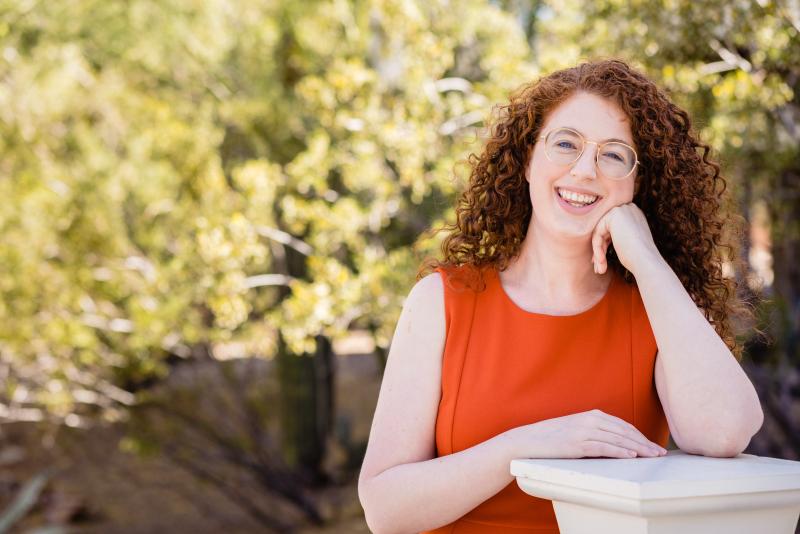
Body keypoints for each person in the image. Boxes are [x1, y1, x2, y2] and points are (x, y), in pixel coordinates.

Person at [357, 59, 764, 534]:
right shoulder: (441, 302)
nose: (585, 170)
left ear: (637, 182)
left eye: (614, 155)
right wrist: (526, 446)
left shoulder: (656, 310)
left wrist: (648, 261)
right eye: (566, 144)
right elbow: (385, 509)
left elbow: (727, 431)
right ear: (527, 158)